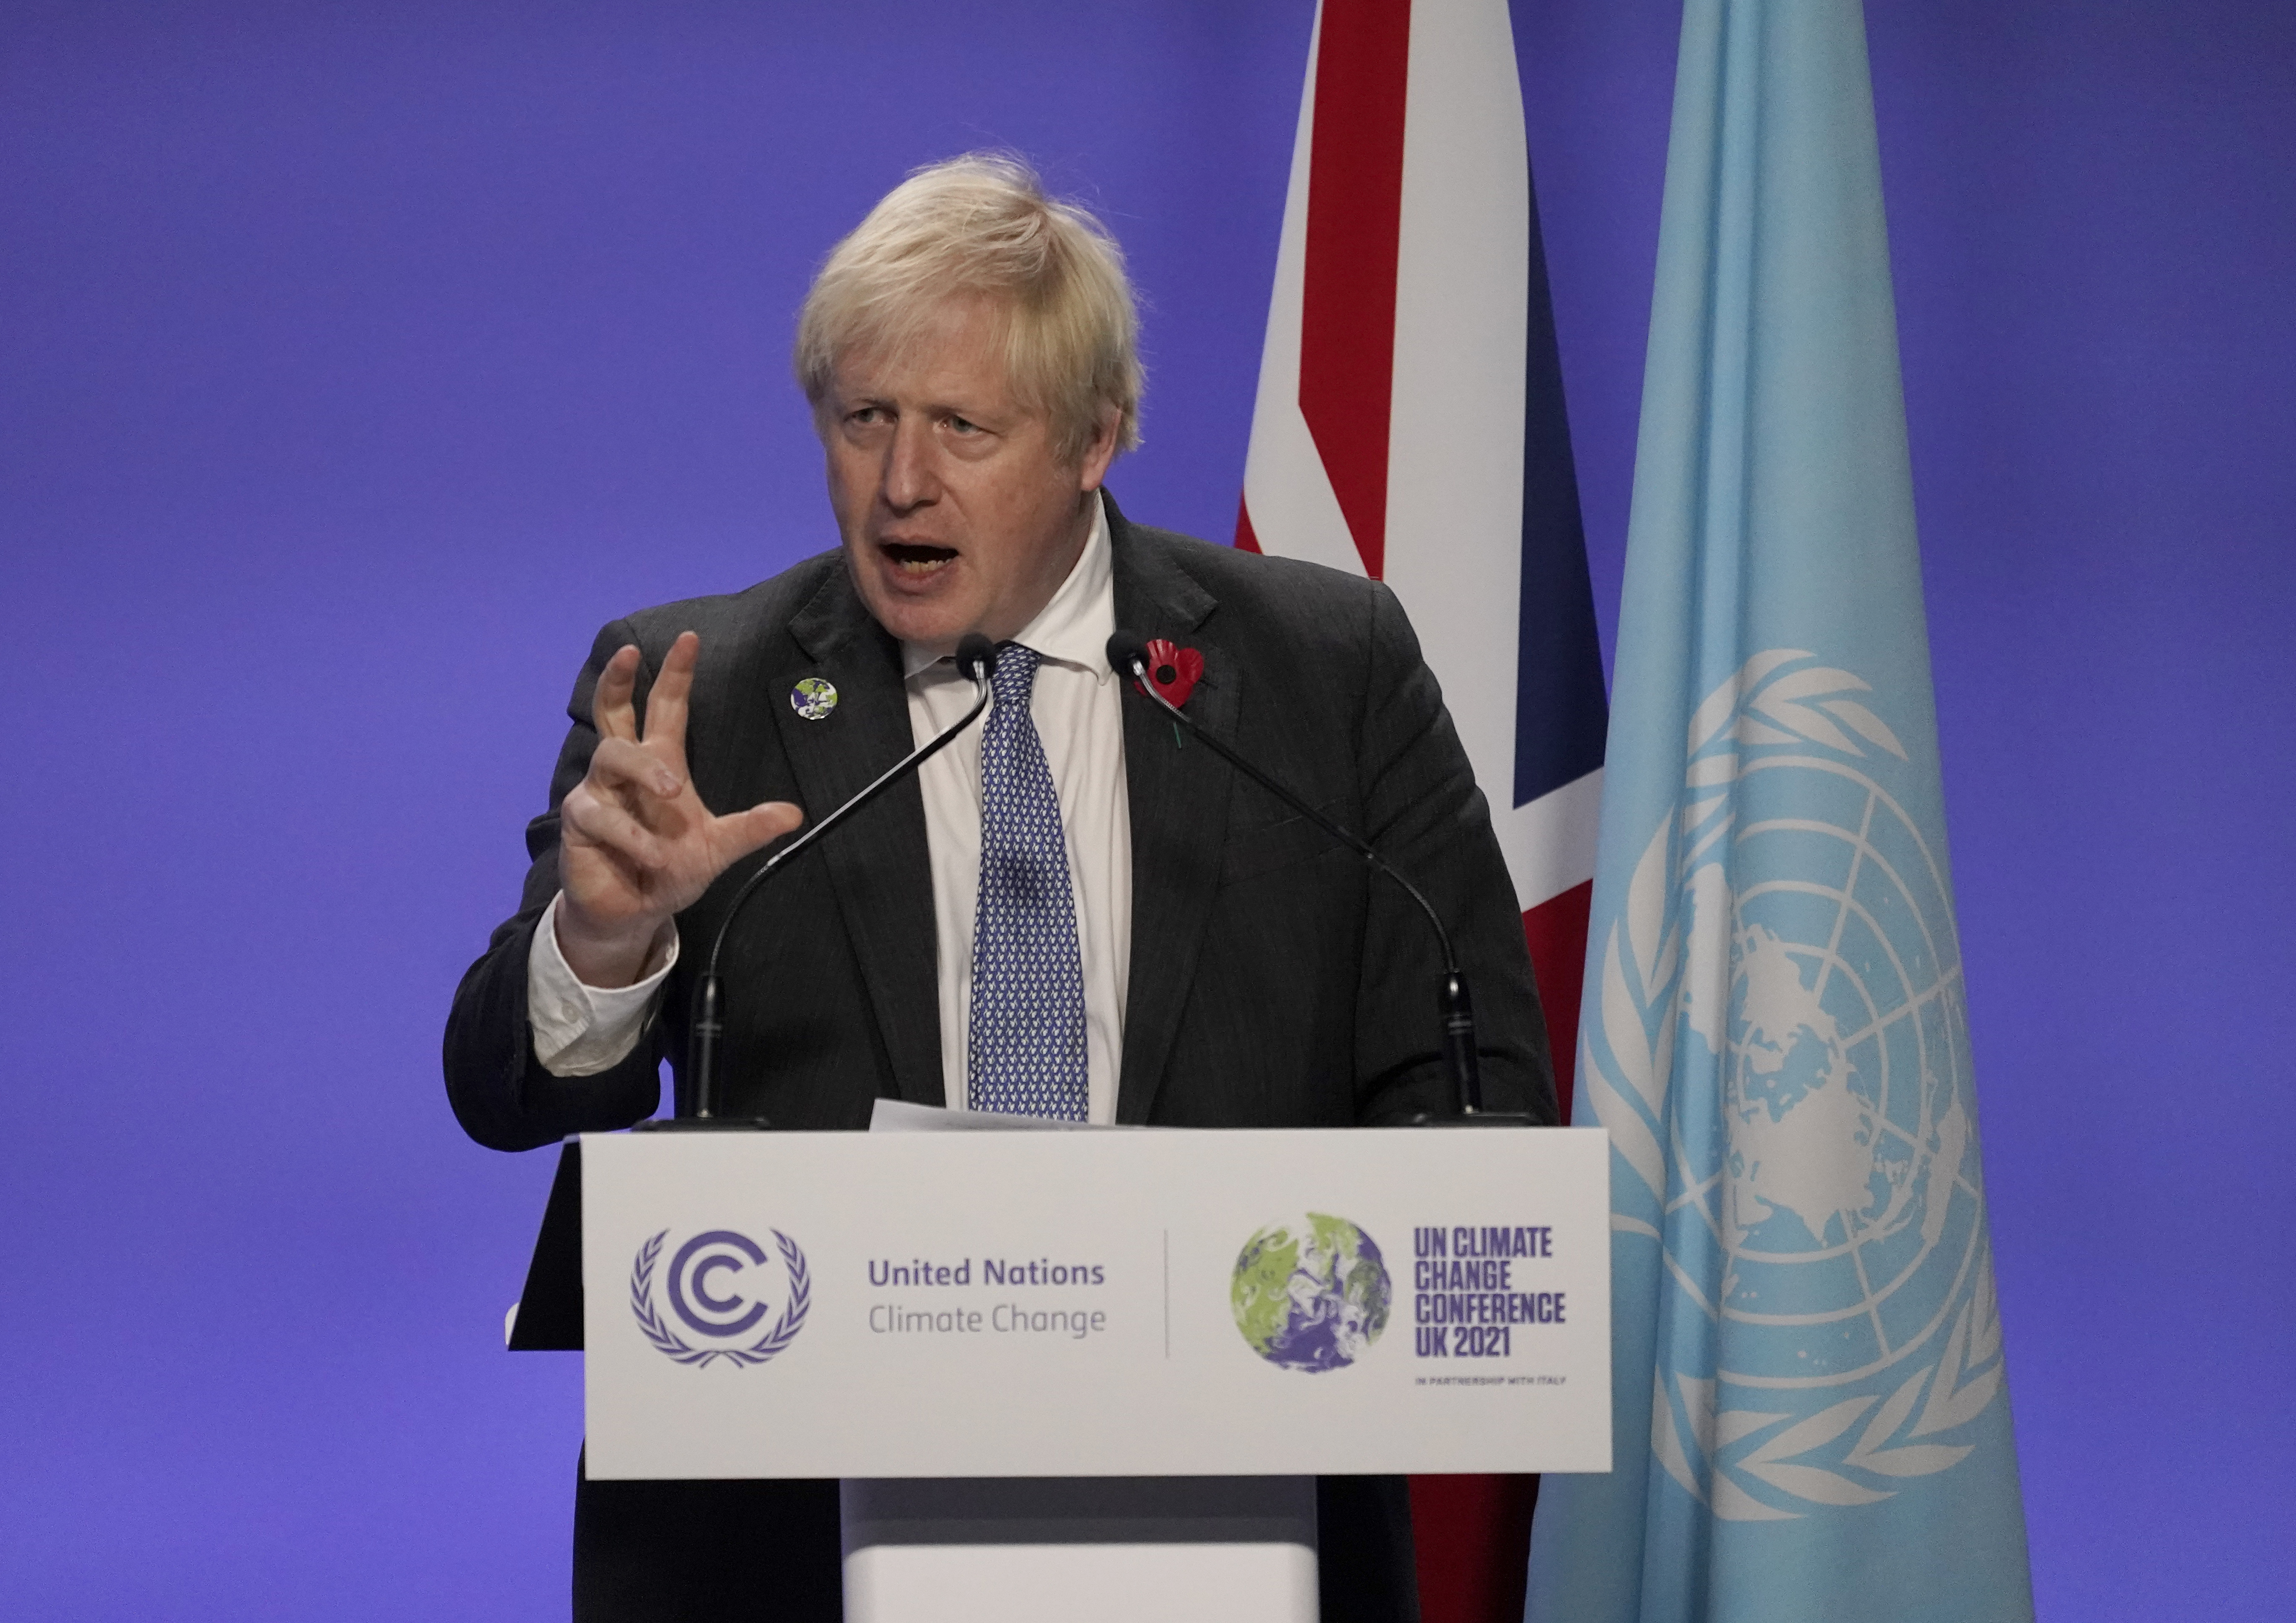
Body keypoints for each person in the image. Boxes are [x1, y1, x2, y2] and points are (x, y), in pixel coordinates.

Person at [444, 153, 1556, 1623]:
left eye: (965, 427)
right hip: (785, 1554)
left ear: (1098, 438)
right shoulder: (695, 698)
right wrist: (603, 936)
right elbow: (502, 1090)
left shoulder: (1326, 676)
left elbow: (1472, 1093)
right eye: (864, 422)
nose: (903, 482)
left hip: (1244, 1526)